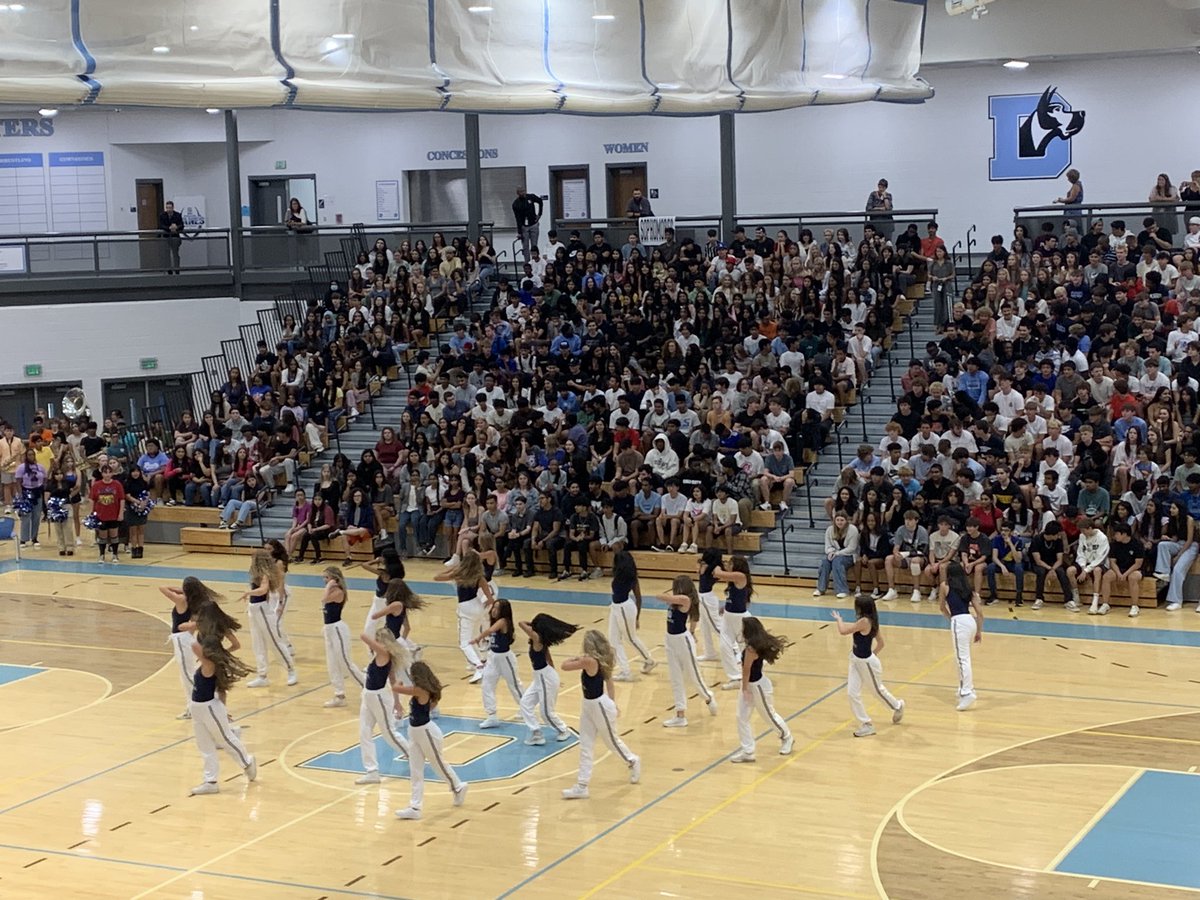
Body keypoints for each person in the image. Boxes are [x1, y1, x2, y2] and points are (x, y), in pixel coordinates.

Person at [560, 630, 642, 799]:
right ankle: (582, 785)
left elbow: (564, 665)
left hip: (599, 706)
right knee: (585, 744)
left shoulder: (589, 661)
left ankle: (632, 760)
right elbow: (610, 685)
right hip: (589, 705)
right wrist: (613, 703)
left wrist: (577, 658)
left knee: (611, 741)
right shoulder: (598, 662)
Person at [391, 660, 469, 818]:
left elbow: (396, 687)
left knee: (438, 763)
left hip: (426, 732)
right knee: (416, 770)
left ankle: (458, 786)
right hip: (413, 732)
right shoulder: (423, 691)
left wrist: (397, 679)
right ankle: (415, 807)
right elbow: (430, 706)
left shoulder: (420, 690)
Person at [186, 633, 257, 796]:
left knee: (225, 739)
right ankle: (210, 781)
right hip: (197, 709)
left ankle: (247, 762)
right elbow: (222, 691)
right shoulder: (207, 664)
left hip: (209, 708)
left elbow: (193, 646)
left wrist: (194, 626)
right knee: (205, 746)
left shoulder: (209, 664)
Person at [831, 596, 904, 737]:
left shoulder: (864, 622)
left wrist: (838, 619)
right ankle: (866, 724)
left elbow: (843, 631)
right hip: (855, 659)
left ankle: (898, 706)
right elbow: (881, 644)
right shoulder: (869, 620)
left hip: (866, 662)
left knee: (877, 691)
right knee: (852, 693)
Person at [653, 575, 718, 728]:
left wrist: (669, 595)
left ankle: (708, 697)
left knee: (693, 675)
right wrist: (693, 631)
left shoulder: (685, 600)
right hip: (670, 640)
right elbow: (694, 619)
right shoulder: (677, 600)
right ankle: (680, 714)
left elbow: (659, 596)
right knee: (675, 678)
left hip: (683, 641)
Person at [730, 616, 795, 762]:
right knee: (742, 717)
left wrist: (745, 689)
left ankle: (787, 737)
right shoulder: (753, 643)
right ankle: (748, 751)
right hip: (749, 685)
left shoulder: (751, 649)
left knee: (768, 715)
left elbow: (746, 670)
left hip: (757, 687)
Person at [354, 626, 412, 786]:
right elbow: (393, 682)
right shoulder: (380, 656)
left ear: (382, 641)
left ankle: (412, 754)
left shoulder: (384, 653)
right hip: (368, 695)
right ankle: (372, 771)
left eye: (377, 640)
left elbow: (363, 635)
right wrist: (398, 703)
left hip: (379, 697)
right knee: (364, 733)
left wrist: (375, 616)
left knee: (388, 733)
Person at [158, 576, 220, 719]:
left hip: (182, 639)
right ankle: (192, 706)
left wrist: (180, 590)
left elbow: (162, 588)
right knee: (186, 674)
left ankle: (206, 700)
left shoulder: (182, 600)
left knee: (187, 675)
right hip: (187, 638)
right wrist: (186, 590)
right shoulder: (194, 601)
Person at [434, 549, 495, 683]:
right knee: (473, 638)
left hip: (465, 608)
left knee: (464, 643)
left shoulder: (459, 574)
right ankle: (482, 661)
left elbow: (437, 577)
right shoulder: (480, 576)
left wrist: (453, 569)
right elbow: (490, 599)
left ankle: (479, 667)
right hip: (478, 606)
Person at [517, 613, 578, 745]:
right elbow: (548, 659)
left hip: (545, 677)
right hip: (543, 677)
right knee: (525, 703)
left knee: (546, 712)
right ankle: (536, 733)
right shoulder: (541, 640)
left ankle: (563, 730)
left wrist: (551, 679)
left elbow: (521, 623)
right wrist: (554, 677)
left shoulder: (537, 638)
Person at [240, 550, 297, 687]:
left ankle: (291, 670)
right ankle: (262, 675)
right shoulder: (255, 574)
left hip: (263, 610)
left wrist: (249, 592)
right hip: (253, 610)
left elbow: (264, 590)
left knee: (274, 642)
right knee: (258, 643)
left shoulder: (265, 574)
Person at [938, 561, 984, 712]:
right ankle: (963, 687)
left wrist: (951, 618)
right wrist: (978, 631)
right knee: (963, 657)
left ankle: (967, 692)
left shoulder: (945, 586)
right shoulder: (969, 588)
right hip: (970, 621)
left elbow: (942, 607)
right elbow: (980, 613)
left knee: (962, 658)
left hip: (959, 622)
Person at [472, 599, 525, 729]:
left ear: (503, 611)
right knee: (487, 685)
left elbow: (489, 631)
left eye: (497, 608)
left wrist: (478, 638)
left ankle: (525, 708)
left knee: (514, 685)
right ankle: (492, 716)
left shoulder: (503, 621)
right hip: (493, 657)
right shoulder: (495, 621)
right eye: (494, 607)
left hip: (505, 658)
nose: (494, 610)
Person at [319, 567, 365, 708]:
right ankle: (339, 695)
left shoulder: (338, 592)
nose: (324, 580)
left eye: (326, 578)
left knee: (345, 662)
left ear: (334, 579)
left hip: (338, 629)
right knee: (332, 663)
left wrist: (329, 585)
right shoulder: (332, 590)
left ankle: (367, 686)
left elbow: (323, 599)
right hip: (329, 629)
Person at [607, 549, 656, 681]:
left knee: (631, 638)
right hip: (616, 607)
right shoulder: (628, 574)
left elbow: (639, 598)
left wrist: (637, 617)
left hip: (624, 607)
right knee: (613, 640)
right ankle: (625, 670)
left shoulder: (626, 576)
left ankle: (649, 660)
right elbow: (638, 598)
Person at [714, 555, 753, 690]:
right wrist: (725, 606)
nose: (728, 565)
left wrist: (716, 563)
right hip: (728, 617)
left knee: (747, 647)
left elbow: (718, 573)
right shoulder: (733, 580)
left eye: (730, 563)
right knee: (724, 646)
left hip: (740, 619)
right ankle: (735, 677)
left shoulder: (740, 576)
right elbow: (734, 598)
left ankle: (755, 670)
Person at [1066, 517, 1110, 614]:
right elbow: (1081, 553)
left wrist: (1086, 570)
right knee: (1070, 570)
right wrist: (1083, 567)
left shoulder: (1102, 538)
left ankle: (1095, 602)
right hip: (1085, 563)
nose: (1082, 532)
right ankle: (1076, 597)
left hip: (1098, 563)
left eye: (1083, 530)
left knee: (1097, 571)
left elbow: (1100, 558)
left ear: (1090, 528)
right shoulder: (1082, 536)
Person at [815, 512, 859, 599]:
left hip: (849, 555)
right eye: (837, 520)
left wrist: (837, 554)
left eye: (842, 520)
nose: (839, 522)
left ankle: (842, 590)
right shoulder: (829, 530)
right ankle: (821, 588)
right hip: (834, 554)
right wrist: (831, 552)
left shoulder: (853, 529)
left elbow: (852, 548)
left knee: (837, 561)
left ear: (846, 521)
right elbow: (827, 546)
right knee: (825, 562)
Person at [1103, 524, 1144, 618]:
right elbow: (1112, 562)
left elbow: (1138, 564)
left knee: (1132, 578)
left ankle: (1134, 606)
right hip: (1119, 568)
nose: (1115, 536)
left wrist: (1125, 574)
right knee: (1106, 576)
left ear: (1124, 534)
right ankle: (1105, 604)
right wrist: (1118, 573)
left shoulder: (1137, 544)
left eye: (1117, 534)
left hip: (1134, 569)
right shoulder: (1114, 544)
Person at [88, 463, 125, 563]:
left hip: (113, 514)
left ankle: (115, 555)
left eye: (109, 472)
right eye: (105, 473)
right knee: (102, 536)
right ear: (102, 474)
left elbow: (122, 499)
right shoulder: (96, 485)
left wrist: (120, 513)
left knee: (114, 535)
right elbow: (92, 499)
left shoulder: (117, 484)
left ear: (112, 473)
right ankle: (102, 555)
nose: (107, 475)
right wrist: (91, 513)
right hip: (101, 514)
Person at [694, 547, 723, 661]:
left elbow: (719, 574)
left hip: (707, 599)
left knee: (717, 626)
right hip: (702, 597)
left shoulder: (715, 568)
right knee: (704, 627)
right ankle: (709, 652)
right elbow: (698, 568)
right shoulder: (706, 565)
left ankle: (736, 650)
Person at [13, 447, 46, 547]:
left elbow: (45, 478)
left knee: (36, 516)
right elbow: (18, 482)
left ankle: (34, 537)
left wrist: (42, 488)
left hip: (37, 492)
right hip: (26, 493)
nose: (31, 456)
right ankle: (23, 539)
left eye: (33, 454)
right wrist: (20, 495)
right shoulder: (21, 467)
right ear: (26, 456)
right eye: (29, 455)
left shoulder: (40, 467)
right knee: (26, 516)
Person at [512, 187, 542, 262]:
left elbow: (540, 201)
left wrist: (539, 214)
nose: (523, 193)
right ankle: (527, 263)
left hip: (533, 224)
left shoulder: (531, 197)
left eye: (524, 191)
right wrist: (519, 232)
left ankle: (535, 261)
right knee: (525, 246)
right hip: (524, 227)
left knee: (534, 245)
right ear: (518, 193)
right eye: (521, 192)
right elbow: (517, 218)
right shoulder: (516, 204)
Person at [159, 199, 185, 274]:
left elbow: (182, 225)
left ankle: (177, 269)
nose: (168, 209)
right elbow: (161, 225)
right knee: (167, 255)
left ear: (173, 208)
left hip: (175, 237)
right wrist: (169, 228)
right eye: (167, 208)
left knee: (175, 254)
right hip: (166, 237)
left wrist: (176, 227)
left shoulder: (178, 215)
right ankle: (169, 270)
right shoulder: (162, 215)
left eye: (170, 208)